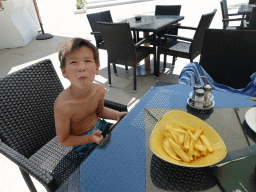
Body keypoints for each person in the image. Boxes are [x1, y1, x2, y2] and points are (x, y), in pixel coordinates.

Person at [54, 38, 127, 160]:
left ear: (97, 68)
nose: (81, 67)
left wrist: (117, 115)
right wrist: (90, 138)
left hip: (101, 126)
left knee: (128, 138)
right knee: (109, 161)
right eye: (73, 62)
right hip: (82, 142)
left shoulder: (99, 90)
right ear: (64, 71)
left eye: (87, 61)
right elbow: (63, 140)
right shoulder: (63, 106)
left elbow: (100, 111)